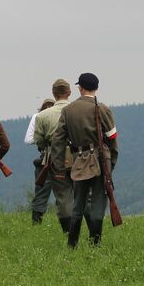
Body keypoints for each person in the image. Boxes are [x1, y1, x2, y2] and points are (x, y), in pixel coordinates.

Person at [51, 73, 118, 248]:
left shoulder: (68, 111)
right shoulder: (102, 108)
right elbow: (112, 138)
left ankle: (72, 244)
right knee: (97, 202)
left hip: (78, 161)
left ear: (80, 88)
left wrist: (59, 167)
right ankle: (95, 244)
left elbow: (58, 140)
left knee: (77, 204)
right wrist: (111, 163)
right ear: (96, 88)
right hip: (100, 160)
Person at [33, 81, 76, 230]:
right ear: (69, 92)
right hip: (78, 156)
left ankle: (68, 232)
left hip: (54, 157)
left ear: (53, 93)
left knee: (63, 198)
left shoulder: (42, 116)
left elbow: (38, 141)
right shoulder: (77, 110)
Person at [25, 97, 56, 225]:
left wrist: (42, 140)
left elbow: (30, 139)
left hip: (45, 157)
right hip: (62, 157)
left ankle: (36, 223)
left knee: (41, 192)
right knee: (65, 192)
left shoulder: (38, 117)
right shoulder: (61, 114)